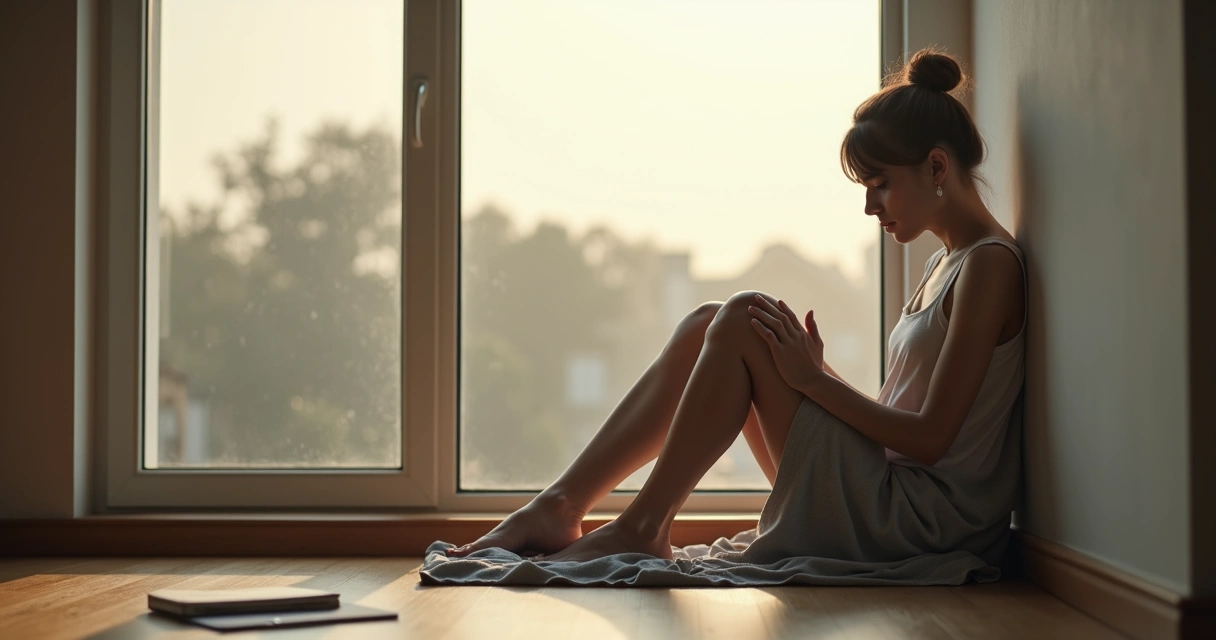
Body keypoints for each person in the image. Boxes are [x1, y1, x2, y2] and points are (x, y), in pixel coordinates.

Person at [445, 48, 1026, 565]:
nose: (871, 207)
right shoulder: (943, 264)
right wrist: (812, 373)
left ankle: (643, 526)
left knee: (744, 314)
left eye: (880, 184)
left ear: (936, 167)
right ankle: (561, 504)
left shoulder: (989, 266)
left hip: (917, 522)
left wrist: (812, 382)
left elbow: (929, 439)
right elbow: (909, 423)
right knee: (712, 320)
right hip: (884, 488)